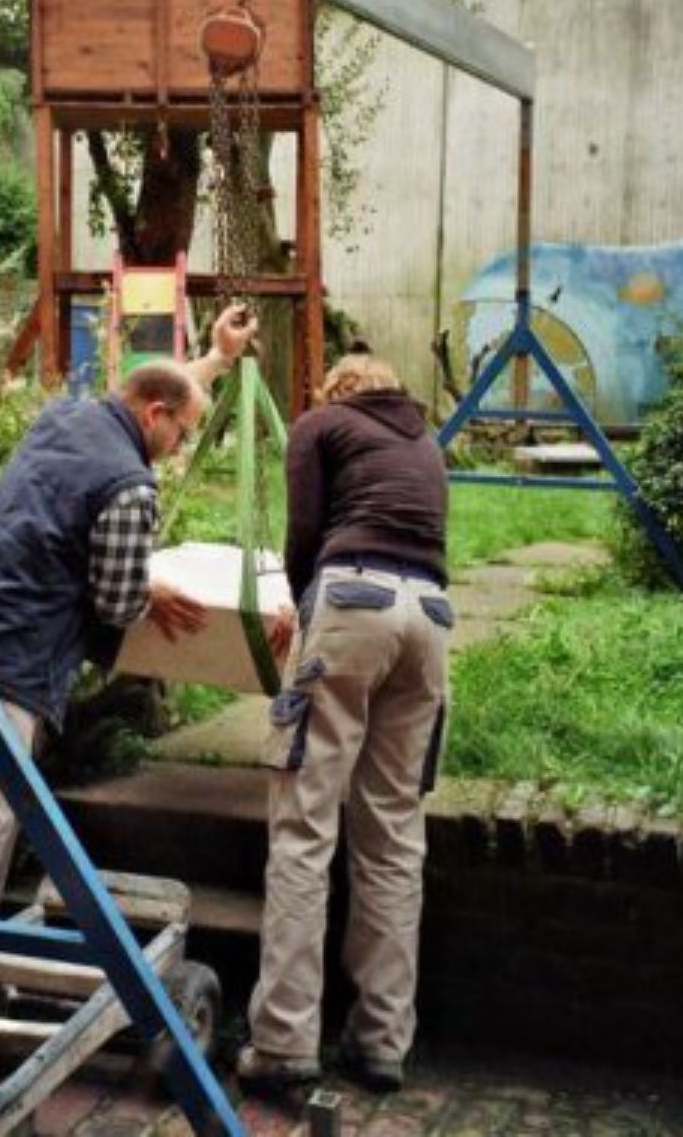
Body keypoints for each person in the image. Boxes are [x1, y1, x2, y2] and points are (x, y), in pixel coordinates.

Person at [0, 304, 257, 1019]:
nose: (178, 451)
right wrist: (147, 584)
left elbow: (163, 386)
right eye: (181, 435)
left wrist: (216, 356)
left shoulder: (71, 417)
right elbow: (119, 605)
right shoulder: (130, 485)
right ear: (154, 416)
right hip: (1, 675)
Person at [238, 352, 450, 1094]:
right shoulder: (425, 440)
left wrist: (300, 618)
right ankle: (382, 1041)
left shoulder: (320, 424)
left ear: (336, 391)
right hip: (430, 619)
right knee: (393, 836)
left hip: (352, 601)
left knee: (303, 827)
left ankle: (284, 1042)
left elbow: (303, 536)